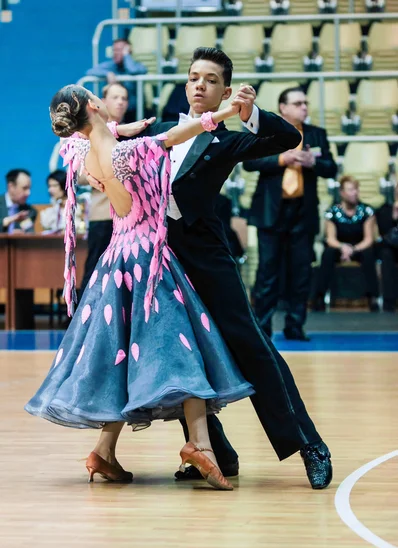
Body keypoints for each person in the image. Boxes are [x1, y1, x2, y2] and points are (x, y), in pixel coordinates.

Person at [114, 48, 333, 489]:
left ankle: (310, 445)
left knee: (253, 348)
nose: (199, 85)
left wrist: (251, 113)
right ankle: (215, 455)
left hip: (207, 256)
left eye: (210, 80)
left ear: (225, 91)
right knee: (181, 355)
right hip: (159, 257)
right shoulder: (155, 130)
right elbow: (96, 148)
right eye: (194, 76)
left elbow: (285, 140)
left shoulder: (227, 139)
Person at [24, 84, 255, 491]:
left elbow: (87, 139)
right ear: (94, 105)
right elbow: (174, 136)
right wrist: (223, 114)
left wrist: (120, 126)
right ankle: (199, 444)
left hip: (115, 261)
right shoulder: (129, 152)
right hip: (148, 258)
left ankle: (105, 451)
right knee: (182, 345)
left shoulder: (79, 156)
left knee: (118, 354)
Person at [243, 86, 337, 341]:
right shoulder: (267, 131)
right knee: (267, 273)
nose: (304, 107)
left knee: (301, 272)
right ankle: (262, 329)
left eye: (305, 102)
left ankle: (295, 326)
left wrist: (313, 162)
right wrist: (282, 160)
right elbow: (249, 162)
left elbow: (331, 168)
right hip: (271, 211)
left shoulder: (317, 134)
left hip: (302, 212)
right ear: (283, 107)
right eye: (297, 103)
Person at [79, 83, 155, 296]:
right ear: (100, 102)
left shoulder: (135, 130)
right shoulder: (87, 132)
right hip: (103, 214)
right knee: (96, 268)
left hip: (133, 215)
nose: (121, 102)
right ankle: (83, 320)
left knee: (129, 271)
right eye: (115, 97)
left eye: (124, 98)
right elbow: (78, 174)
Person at [313, 176, 379, 311]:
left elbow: (368, 239)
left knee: (369, 254)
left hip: (359, 247)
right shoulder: (332, 212)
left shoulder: (367, 211)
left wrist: (353, 249)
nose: (354, 192)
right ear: (342, 193)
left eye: (356, 189)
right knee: (328, 253)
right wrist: (343, 247)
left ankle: (373, 297)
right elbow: (330, 239)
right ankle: (319, 296)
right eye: (350, 189)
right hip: (339, 247)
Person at [86, 39, 147, 120]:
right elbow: (90, 71)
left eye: (119, 50)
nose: (115, 53)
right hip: (113, 111)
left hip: (134, 111)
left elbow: (133, 70)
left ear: (128, 51)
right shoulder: (111, 66)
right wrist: (107, 73)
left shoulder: (137, 65)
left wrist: (126, 56)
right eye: (114, 50)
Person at [376, 188, 398, 312]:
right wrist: (394, 216)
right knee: (386, 254)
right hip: (392, 247)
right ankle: (389, 301)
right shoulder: (385, 209)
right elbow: (384, 234)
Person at [0, 169, 36, 233]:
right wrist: (9, 221)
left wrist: (24, 234)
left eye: (29, 188)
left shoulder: (29, 211)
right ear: (11, 186)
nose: (28, 193)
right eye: (24, 188)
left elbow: (30, 232)